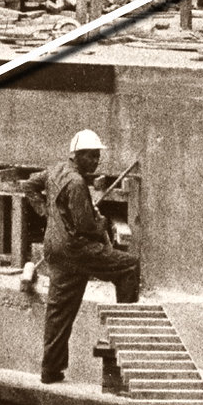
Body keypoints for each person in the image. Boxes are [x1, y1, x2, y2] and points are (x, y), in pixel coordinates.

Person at [38, 130, 141, 385]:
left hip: (55, 249)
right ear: (78, 156)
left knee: (59, 311)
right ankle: (123, 342)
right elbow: (85, 226)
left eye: (97, 157)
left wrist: (47, 213)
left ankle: (51, 371)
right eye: (91, 157)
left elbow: (30, 185)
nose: (96, 162)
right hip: (76, 251)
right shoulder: (76, 183)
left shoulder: (55, 171)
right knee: (129, 267)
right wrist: (102, 221)